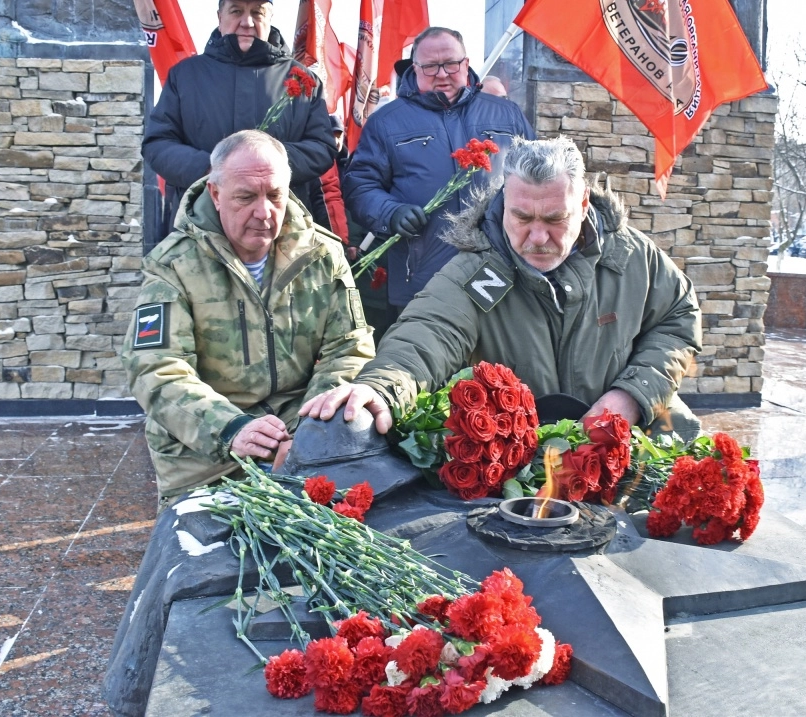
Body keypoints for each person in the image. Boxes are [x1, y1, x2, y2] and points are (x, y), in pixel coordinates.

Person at [302, 136, 703, 441]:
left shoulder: (632, 257)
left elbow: (679, 317)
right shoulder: (475, 273)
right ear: (504, 200)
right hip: (518, 463)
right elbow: (425, 335)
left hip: (629, 443)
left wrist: (631, 396)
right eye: (522, 217)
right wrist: (379, 389)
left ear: (583, 204)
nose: (538, 238)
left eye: (555, 219)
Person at [122, 130, 375, 503]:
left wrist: (310, 430)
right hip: (205, 453)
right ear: (215, 194)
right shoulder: (172, 265)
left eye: (275, 195)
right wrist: (230, 428)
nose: (264, 212)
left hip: (299, 434)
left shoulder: (321, 253)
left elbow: (350, 347)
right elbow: (155, 368)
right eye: (245, 197)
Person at [343, 26, 535, 317]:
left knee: (495, 346)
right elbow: (359, 185)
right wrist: (390, 212)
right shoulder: (387, 122)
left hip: (498, 268)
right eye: (430, 66)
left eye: (451, 64)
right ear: (415, 68)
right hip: (422, 277)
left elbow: (536, 175)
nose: (442, 74)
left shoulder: (507, 115)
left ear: (466, 63)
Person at [142, 0, 336, 245]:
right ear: (220, 17)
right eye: (236, 11)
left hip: (280, 235)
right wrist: (211, 169)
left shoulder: (303, 81)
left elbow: (322, 147)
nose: (247, 22)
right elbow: (158, 144)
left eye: (257, 12)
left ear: (270, 17)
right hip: (200, 233)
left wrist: (267, 167)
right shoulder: (185, 76)